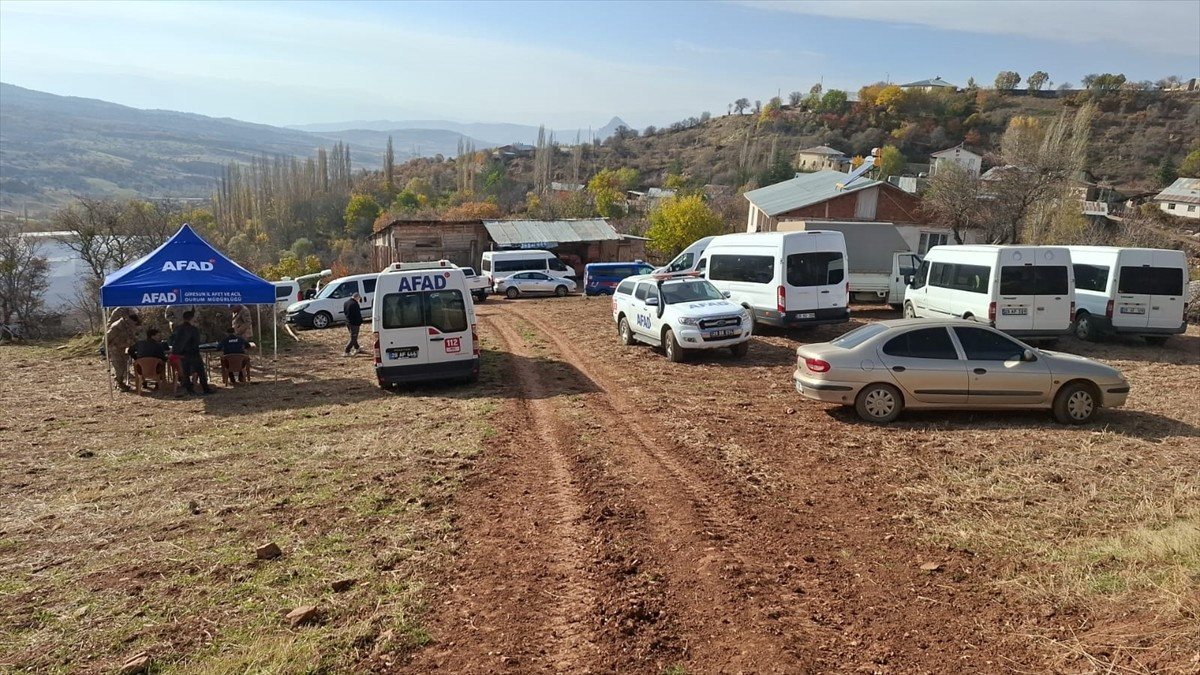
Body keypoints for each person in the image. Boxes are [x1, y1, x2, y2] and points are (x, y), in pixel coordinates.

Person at [171, 310, 213, 395]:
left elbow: (173, 340)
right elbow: (196, 342)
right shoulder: (193, 329)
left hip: (182, 354)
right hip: (193, 353)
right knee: (200, 371)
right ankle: (206, 389)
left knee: (186, 372)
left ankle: (189, 390)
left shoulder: (178, 329)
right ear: (192, 318)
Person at [105, 310, 140, 392]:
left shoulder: (127, 325)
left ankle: (120, 382)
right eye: (133, 323)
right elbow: (107, 337)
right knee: (119, 368)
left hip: (122, 348)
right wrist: (104, 349)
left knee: (124, 367)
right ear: (129, 320)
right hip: (114, 349)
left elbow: (132, 336)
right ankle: (118, 383)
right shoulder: (116, 327)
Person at [343, 292, 363, 357]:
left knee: (353, 336)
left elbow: (345, 312)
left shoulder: (346, 303)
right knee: (353, 338)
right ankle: (347, 351)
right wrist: (360, 322)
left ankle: (357, 348)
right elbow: (358, 315)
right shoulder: (355, 304)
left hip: (348, 322)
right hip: (354, 323)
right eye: (359, 298)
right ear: (357, 297)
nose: (359, 300)